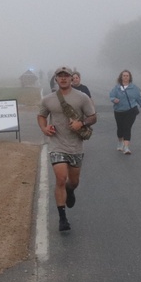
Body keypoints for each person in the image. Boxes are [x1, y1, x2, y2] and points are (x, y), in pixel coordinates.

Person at [37, 66, 97, 232]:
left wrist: (82, 123)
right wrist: (44, 128)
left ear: (72, 78)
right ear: (56, 79)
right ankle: (62, 219)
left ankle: (70, 191)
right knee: (61, 178)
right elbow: (41, 115)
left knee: (73, 182)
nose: (63, 79)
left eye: (66, 76)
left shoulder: (82, 98)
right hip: (57, 144)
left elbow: (93, 117)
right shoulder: (48, 99)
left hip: (75, 146)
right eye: (60, 76)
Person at [108, 69, 141, 155]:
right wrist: (114, 99)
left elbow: (139, 98)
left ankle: (126, 147)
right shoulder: (116, 88)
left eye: (127, 76)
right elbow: (111, 96)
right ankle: (120, 142)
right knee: (120, 128)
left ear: (130, 77)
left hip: (131, 110)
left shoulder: (134, 88)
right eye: (124, 76)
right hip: (119, 111)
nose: (125, 77)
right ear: (121, 77)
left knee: (127, 127)